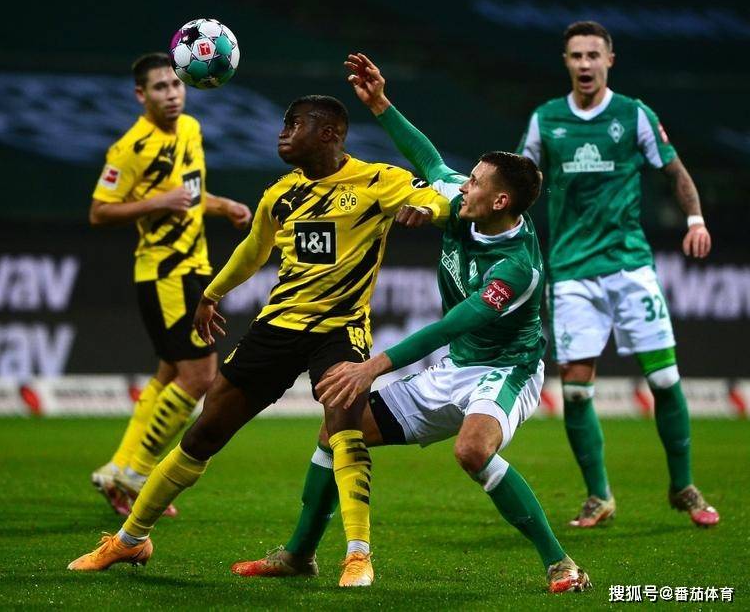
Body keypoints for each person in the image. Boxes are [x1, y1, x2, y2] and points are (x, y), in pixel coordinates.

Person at [229, 53, 591, 594]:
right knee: (337, 430)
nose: (460, 186)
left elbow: (453, 325)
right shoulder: (467, 205)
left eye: (473, 182)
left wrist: (372, 367)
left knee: (472, 451)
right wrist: (380, 104)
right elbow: (429, 159)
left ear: (499, 200)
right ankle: (299, 555)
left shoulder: (517, 267)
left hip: (506, 369)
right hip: (457, 367)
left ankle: (561, 564)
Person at [68, 93, 451, 587]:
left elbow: (442, 198)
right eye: (284, 125)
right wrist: (212, 293)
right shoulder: (281, 194)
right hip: (276, 328)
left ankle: (358, 556)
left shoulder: (377, 179)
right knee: (204, 433)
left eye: (294, 125)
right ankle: (130, 539)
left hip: (339, 330)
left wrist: (427, 207)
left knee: (343, 429)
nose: (283, 133)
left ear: (329, 134)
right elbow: (254, 250)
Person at [516, 21, 718, 528]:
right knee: (576, 389)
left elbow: (674, 170)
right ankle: (598, 495)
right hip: (572, 272)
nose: (585, 64)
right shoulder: (546, 119)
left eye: (593, 55)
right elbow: (519, 181)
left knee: (665, 378)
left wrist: (695, 220)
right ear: (566, 62)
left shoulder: (633, 114)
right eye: (576, 55)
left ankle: (684, 486)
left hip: (629, 266)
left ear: (610, 60)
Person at [88, 52, 252, 517]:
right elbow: (99, 211)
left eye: (176, 85)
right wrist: (157, 201)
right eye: (160, 87)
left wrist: (223, 206)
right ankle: (138, 471)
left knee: (168, 375)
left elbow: (192, 196)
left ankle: (118, 469)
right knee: (198, 377)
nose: (172, 94)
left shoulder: (191, 130)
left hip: (193, 267)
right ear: (141, 95)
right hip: (166, 273)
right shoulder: (130, 148)